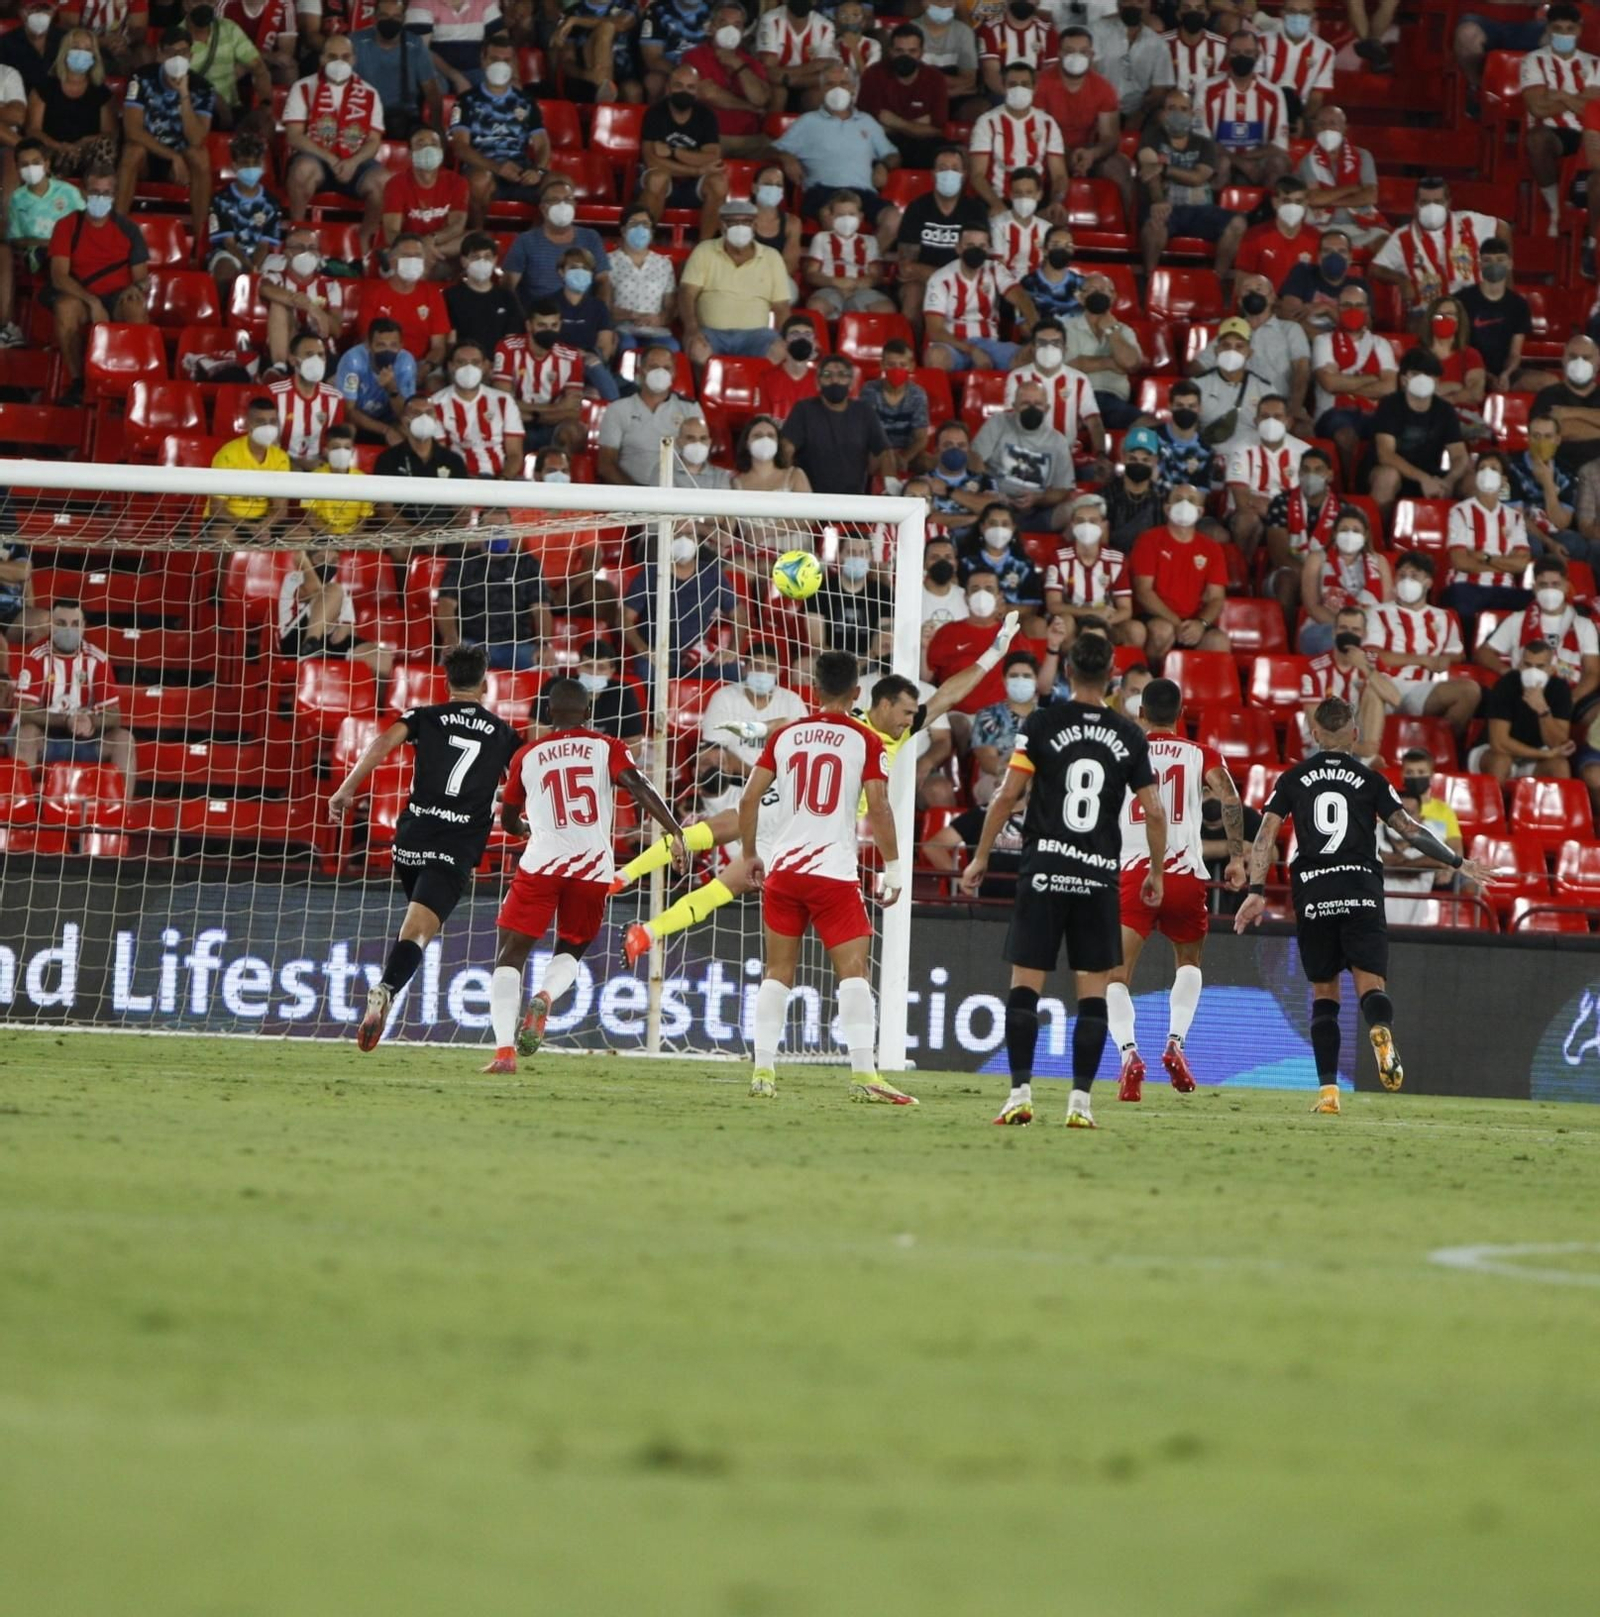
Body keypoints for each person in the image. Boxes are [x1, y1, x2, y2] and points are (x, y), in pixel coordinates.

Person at [1236, 696, 1493, 1110]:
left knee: (1324, 993)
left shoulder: (1293, 778)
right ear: (1355, 734)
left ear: (1315, 734)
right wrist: (1458, 861)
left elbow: (1265, 837)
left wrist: (1256, 891)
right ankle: (1380, 1027)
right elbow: (1408, 830)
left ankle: (1328, 1093)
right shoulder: (1371, 779)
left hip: (1314, 890)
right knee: (1370, 984)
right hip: (1360, 889)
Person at [959, 632, 1165, 1130]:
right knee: (1093, 994)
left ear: (1068, 671)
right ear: (1112, 674)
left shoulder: (1042, 722)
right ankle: (1080, 1104)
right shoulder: (1131, 735)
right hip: (1097, 876)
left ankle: (1020, 1094)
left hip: (1045, 868)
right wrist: (1156, 871)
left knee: (1025, 986)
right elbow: (1154, 811)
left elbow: (1008, 795)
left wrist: (981, 856)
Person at [482, 677, 689, 1073]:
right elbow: (637, 784)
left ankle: (504, 1052)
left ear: (547, 713)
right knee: (571, 948)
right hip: (593, 868)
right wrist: (674, 831)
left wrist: (520, 828)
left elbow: (507, 817)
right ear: (590, 713)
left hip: (542, 865)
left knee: (510, 953)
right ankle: (546, 993)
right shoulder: (607, 747)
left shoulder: (527, 754)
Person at [736, 650, 914, 1103]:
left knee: (777, 971)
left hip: (785, 871)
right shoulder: (865, 740)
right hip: (833, 874)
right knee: (853, 972)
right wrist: (893, 868)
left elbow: (748, 800)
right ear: (857, 693)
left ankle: (763, 1072)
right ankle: (864, 1075)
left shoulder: (786, 735)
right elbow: (878, 807)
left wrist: (751, 854)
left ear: (814, 691)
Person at [333, 651, 519, 1052]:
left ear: (447, 683)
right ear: (485, 686)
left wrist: (347, 788)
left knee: (414, 922)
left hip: (412, 838)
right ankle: (386, 988)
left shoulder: (424, 715)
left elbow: (382, 742)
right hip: (456, 843)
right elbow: (520, 783)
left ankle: (388, 987)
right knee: (418, 933)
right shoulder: (503, 733)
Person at [1106, 676, 1246, 1100]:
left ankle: (1130, 1055)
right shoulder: (1200, 753)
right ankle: (1175, 1042)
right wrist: (1237, 857)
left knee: (1115, 976)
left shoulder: (1120, 752)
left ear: (1141, 713)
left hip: (1134, 872)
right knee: (1189, 963)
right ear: (1181, 715)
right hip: (1185, 874)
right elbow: (1231, 798)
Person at [11, 598, 136, 804]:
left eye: (75, 624)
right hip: (47, 739)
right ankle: (21, 817)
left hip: (87, 740)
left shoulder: (97, 659)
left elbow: (115, 716)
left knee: (124, 740)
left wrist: (90, 722)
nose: (68, 630)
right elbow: (24, 711)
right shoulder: (35, 657)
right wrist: (66, 720)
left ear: (84, 627)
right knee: (24, 734)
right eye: (61, 623)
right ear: (50, 624)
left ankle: (119, 820)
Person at [46, 164, 150, 407]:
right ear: (83, 193)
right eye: (95, 192)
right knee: (65, 308)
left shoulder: (128, 229)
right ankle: (78, 382)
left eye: (105, 193)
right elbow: (59, 276)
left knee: (135, 307)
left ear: (113, 196)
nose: (100, 198)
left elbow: (141, 278)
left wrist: (135, 289)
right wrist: (91, 302)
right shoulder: (67, 225)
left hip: (118, 295)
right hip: (81, 294)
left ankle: (128, 385)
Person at [283, 35, 390, 255]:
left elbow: (373, 141)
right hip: (316, 160)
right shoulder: (303, 87)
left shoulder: (369, 93)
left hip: (356, 162)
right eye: (332, 56)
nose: (339, 62)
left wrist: (352, 161)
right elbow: (294, 136)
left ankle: (364, 242)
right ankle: (299, 234)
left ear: (354, 60)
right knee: (302, 170)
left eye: (345, 56)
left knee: (383, 181)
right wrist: (331, 159)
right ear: (322, 59)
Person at [772, 59, 901, 239]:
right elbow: (773, 149)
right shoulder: (808, 121)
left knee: (893, 219)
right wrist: (786, 157)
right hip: (823, 192)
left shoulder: (867, 122)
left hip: (863, 193)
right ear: (823, 89)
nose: (837, 89)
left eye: (844, 83)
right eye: (831, 84)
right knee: (835, 215)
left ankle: (866, 262)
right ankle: (836, 262)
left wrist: (884, 166)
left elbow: (893, 154)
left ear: (853, 88)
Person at [1363, 550, 1481, 739]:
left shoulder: (1445, 617)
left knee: (1470, 691)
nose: (1406, 581)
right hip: (1383, 684)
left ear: (1428, 583)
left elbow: (1457, 654)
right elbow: (1373, 655)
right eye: (1402, 575)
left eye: (1414, 576)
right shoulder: (1377, 612)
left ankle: (1440, 745)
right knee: (1369, 692)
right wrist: (1424, 660)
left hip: (1421, 689)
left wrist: (1445, 660)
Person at [1136, 86, 1247, 281]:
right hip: (1168, 207)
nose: (1177, 114)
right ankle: (1149, 281)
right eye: (1171, 108)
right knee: (1154, 224)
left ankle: (1215, 281)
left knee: (1237, 223)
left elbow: (1198, 177)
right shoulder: (1152, 136)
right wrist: (1159, 201)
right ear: (1163, 112)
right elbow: (1148, 172)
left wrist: (1164, 169)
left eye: (1183, 109)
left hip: (1201, 211)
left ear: (1191, 113)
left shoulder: (1204, 143)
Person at [117, 28, 214, 248]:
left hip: (180, 166)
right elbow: (132, 129)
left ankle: (200, 242)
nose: (177, 58)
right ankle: (116, 230)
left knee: (200, 155)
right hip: (147, 158)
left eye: (183, 53)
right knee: (132, 150)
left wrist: (184, 95)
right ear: (160, 54)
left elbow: (197, 138)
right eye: (171, 53)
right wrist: (172, 156)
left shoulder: (203, 88)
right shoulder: (141, 78)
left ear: (191, 56)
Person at [1369, 177, 1507, 319]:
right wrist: (1401, 279)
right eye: (1425, 202)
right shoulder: (1403, 236)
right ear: (1415, 204)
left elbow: (1502, 228)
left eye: (1438, 202)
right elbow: (1375, 269)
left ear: (1448, 203)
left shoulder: (1468, 221)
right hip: (1429, 312)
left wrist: (1506, 281)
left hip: (1471, 308)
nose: (1432, 208)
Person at [1032, 29, 1133, 220]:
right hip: (1047, 151)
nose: (1077, 56)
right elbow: (1037, 133)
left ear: (1092, 55)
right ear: (1059, 53)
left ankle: (1129, 230)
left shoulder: (1103, 88)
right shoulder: (1042, 84)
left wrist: (1091, 155)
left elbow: (1110, 137)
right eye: (1070, 50)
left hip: (1088, 152)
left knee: (1120, 166)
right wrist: (1067, 155)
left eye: (1083, 51)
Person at [679, 197, 789, 364]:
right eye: (733, 222)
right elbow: (687, 294)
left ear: (754, 225)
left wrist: (786, 337)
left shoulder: (771, 257)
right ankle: (705, 390)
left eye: (746, 222)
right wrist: (692, 329)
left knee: (780, 350)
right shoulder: (704, 251)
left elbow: (781, 307)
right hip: (712, 333)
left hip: (756, 335)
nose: (740, 227)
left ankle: (758, 390)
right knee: (697, 349)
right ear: (722, 225)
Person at [1477, 555, 1600, 702]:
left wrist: (1572, 699)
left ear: (1566, 586)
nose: (1550, 591)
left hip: (1570, 694)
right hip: (1525, 694)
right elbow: (1483, 653)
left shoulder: (1584, 625)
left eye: (1555, 584)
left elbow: (1593, 672)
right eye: (1543, 585)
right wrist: (1508, 672)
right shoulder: (1518, 619)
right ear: (1534, 587)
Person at [1366, 348, 1470, 520]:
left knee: (1470, 480)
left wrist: (1449, 480)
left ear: (1437, 382)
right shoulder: (1389, 405)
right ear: (1404, 379)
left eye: (1428, 375)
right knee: (1388, 477)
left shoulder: (1445, 410)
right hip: (1391, 472)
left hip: (1430, 473)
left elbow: (1459, 455)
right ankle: (1378, 536)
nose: (1422, 379)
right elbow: (1386, 454)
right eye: (1415, 374)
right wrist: (1423, 479)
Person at [622, 530, 744, 677]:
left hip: (697, 654)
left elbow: (739, 613)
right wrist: (643, 649)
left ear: (698, 541)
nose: (684, 541)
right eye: (677, 535)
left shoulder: (712, 574)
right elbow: (624, 618)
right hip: (657, 655)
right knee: (647, 671)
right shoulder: (650, 575)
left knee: (734, 671)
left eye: (689, 535)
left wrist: (732, 650)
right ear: (667, 541)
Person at [1131, 483, 1232, 660]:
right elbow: (1143, 592)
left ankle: (1200, 687)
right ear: (1167, 509)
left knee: (1219, 641)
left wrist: (1201, 623)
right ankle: (1153, 683)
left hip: (1194, 621)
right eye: (1178, 500)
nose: (1184, 505)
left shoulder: (1212, 548)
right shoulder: (1149, 540)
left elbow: (1216, 597)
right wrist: (1176, 622)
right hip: (1156, 617)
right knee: (1162, 631)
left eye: (1191, 501)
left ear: (1200, 512)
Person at [894, 143, 988, 331]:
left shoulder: (975, 210)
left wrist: (930, 272)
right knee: (912, 298)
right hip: (922, 284)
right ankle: (914, 355)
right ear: (933, 174)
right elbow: (907, 268)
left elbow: (977, 261)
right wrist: (947, 277)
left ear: (964, 175)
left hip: (965, 283)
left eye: (955, 169)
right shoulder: (917, 208)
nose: (948, 173)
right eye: (942, 168)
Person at [1441, 452, 1533, 641]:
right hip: (1467, 586)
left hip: (1504, 590)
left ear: (1503, 479)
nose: (1487, 472)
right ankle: (1467, 655)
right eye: (1482, 468)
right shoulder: (1460, 511)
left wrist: (1486, 557)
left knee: (1535, 605)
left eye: (1493, 469)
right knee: (1460, 598)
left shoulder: (1514, 517)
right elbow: (1460, 561)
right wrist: (1505, 563)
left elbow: (1521, 564)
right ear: (1475, 477)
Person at [923, 221, 1038, 372]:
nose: (976, 250)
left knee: (1032, 356)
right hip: (953, 344)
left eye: (982, 246)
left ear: (988, 249)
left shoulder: (995, 269)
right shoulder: (940, 279)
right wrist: (972, 350)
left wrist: (1037, 331)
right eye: (970, 245)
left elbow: (1020, 297)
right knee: (935, 357)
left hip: (989, 343)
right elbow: (935, 330)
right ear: (958, 248)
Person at [1518, 4, 1594, 232]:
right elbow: (1538, 108)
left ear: (1579, 30)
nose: (1564, 34)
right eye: (1558, 29)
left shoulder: (1596, 64)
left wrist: (1559, 95)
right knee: (1537, 139)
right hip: (1554, 133)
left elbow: (1594, 111)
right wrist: (1577, 99)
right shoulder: (1533, 61)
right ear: (1549, 29)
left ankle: (1590, 230)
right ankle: (1555, 207)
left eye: (1569, 29)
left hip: (1590, 133)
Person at [1, 139, 83, 348]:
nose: (31, 169)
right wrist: (45, 243)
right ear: (18, 169)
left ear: (47, 164)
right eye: (25, 164)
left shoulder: (69, 193)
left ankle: (61, 337)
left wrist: (60, 245)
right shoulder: (17, 199)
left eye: (36, 162)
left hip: (71, 253)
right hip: (36, 256)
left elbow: (85, 228)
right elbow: (16, 239)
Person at [436, 528, 551, 670]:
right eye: (491, 527)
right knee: (452, 662)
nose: (497, 533)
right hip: (472, 645)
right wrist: (451, 639)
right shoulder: (462, 561)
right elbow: (446, 604)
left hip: (517, 647)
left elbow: (541, 609)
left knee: (546, 665)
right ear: (480, 533)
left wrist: (544, 645)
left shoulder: (527, 563)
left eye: (502, 527)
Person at [967, 59, 1069, 220]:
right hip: (997, 198)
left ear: (1035, 88)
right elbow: (977, 175)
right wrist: (996, 204)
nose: (1019, 89)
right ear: (1004, 87)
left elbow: (1059, 175)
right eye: (1013, 84)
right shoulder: (987, 122)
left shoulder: (1048, 123)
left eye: (1025, 84)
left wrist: (1056, 202)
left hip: (1035, 201)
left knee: (1058, 224)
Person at [971, 376, 1075, 530]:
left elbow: (1063, 489)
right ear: (1015, 406)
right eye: (1026, 403)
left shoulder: (1058, 441)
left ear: (1046, 408)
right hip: (995, 506)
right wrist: (992, 490)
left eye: (1038, 404)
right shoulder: (998, 423)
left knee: (1074, 511)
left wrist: (1039, 499)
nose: (1032, 408)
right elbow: (974, 458)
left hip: (1035, 511)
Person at [639, 62, 728, 241]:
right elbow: (652, 160)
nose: (684, 91)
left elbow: (712, 157)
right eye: (678, 85)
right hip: (664, 182)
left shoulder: (706, 116)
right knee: (658, 178)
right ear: (668, 88)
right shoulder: (655, 113)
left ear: (697, 90)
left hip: (694, 186)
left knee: (719, 183)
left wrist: (674, 152)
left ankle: (705, 248)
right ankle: (644, 242)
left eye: (690, 87)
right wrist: (696, 169)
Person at [783, 353, 893, 496]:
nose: (835, 380)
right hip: (809, 501)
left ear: (851, 382)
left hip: (852, 502)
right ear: (817, 382)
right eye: (827, 375)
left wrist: (891, 488)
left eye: (842, 375)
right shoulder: (804, 409)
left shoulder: (864, 411)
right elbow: (786, 449)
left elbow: (884, 452)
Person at [1042, 493, 1141, 648]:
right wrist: (1092, 614)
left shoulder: (1117, 559)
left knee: (1136, 630)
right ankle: (1068, 668)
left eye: (1093, 521)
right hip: (1073, 618)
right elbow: (1053, 605)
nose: (1086, 526)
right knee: (1064, 623)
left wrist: (1102, 621)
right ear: (1072, 525)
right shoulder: (1058, 557)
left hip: (1105, 619)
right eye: (1080, 521)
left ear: (1103, 525)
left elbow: (1126, 609)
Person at [1300, 603, 1396, 761]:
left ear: (1364, 635)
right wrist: (1357, 748)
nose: (1349, 634)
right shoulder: (1315, 669)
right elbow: (1315, 727)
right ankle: (1367, 761)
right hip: (1324, 748)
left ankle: (1368, 760)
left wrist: (1365, 668)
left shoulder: (1373, 663)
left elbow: (1396, 700)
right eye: (1343, 628)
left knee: (1375, 691)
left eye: (1355, 630)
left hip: (1362, 741)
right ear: (1334, 632)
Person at [1195, 28, 1290, 187]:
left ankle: (1266, 209)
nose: (1242, 57)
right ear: (1226, 54)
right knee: (1222, 163)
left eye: (1248, 52)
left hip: (1256, 160)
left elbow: (1279, 145)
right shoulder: (1207, 89)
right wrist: (1239, 162)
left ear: (1257, 55)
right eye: (1235, 52)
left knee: (1279, 164)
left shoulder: (1273, 93)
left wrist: (1246, 159)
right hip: (1219, 158)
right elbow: (1202, 140)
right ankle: (1215, 210)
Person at [492, 295, 586, 453]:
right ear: (529, 325)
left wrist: (534, 415)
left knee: (574, 430)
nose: (549, 331)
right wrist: (556, 407)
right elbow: (503, 402)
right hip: (515, 421)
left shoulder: (571, 356)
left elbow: (573, 410)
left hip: (550, 423)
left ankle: (561, 472)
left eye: (554, 325)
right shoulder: (508, 347)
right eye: (542, 325)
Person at [1225, 393, 1312, 561]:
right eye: (1265, 417)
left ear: (1289, 421)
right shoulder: (1240, 448)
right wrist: (1281, 510)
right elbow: (1242, 501)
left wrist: (1272, 510)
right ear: (1256, 422)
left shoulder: (1305, 452)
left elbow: (1309, 500)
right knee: (1248, 520)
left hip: (1289, 520)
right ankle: (1242, 574)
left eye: (1278, 417)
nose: (1271, 422)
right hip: (1247, 516)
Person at [680, 4, 773, 159]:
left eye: (737, 25)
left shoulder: (751, 63)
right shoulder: (693, 57)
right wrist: (749, 107)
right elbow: (708, 93)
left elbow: (760, 99)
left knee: (784, 154)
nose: (730, 30)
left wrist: (738, 65)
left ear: (743, 31)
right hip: (708, 138)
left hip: (747, 140)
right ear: (712, 27)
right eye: (723, 24)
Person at [1475, 640, 1575, 782]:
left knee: (1560, 766)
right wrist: (1542, 754)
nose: (1533, 671)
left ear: (1551, 669)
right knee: (1501, 762)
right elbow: (1499, 743)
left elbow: (1558, 744)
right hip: (1493, 753)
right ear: (1520, 666)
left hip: (1535, 757)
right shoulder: (1506, 684)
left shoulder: (1560, 689)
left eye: (1540, 667)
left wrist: (1543, 711)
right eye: (1528, 665)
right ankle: (1493, 804)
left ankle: (1556, 804)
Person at [502, 176, 611, 307]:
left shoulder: (591, 237)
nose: (562, 205)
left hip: (582, 317)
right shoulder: (525, 241)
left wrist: (600, 317)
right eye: (555, 200)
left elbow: (603, 282)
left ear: (575, 205)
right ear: (543, 208)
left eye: (568, 200)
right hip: (541, 320)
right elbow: (508, 286)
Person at [1300, 504, 1392, 655]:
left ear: (1365, 535)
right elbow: (1312, 606)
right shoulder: (1317, 558)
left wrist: (1362, 629)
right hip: (1324, 627)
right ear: (1335, 533)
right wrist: (1345, 628)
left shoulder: (1379, 562)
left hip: (1368, 628)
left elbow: (1387, 606)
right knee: (1340, 641)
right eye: (1344, 530)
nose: (1350, 535)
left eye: (1356, 531)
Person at [26, 29, 116, 183]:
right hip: (52, 152)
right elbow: (33, 130)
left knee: (105, 145)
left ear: (94, 56)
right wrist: (59, 146)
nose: (82, 53)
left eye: (88, 49)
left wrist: (84, 142)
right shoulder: (45, 87)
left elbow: (110, 133)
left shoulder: (101, 93)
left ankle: (98, 191)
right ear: (65, 52)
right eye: (76, 47)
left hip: (86, 156)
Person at [597, 344, 697, 485]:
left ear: (674, 373)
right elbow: (606, 465)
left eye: (667, 368)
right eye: (654, 367)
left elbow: (699, 459)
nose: (660, 372)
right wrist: (639, 496)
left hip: (676, 495)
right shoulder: (618, 409)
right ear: (641, 371)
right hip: (631, 497)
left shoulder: (690, 409)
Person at [358, 232, 451, 378]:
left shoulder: (432, 294)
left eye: (418, 256)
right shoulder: (374, 294)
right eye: (407, 256)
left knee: (435, 383)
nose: (413, 260)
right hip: (382, 362)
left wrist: (425, 368)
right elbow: (367, 341)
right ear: (393, 260)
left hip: (422, 363)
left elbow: (438, 347)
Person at [858, 21, 948, 171]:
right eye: (899, 51)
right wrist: (917, 125)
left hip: (922, 145)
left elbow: (937, 130)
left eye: (912, 51)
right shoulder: (873, 75)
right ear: (890, 51)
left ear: (921, 53)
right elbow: (869, 126)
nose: (905, 56)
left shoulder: (935, 78)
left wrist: (895, 122)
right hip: (883, 144)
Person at [430, 338, 524, 476]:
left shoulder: (504, 401)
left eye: (475, 362)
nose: (468, 368)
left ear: (485, 366)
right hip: (458, 480)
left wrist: (503, 481)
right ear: (450, 366)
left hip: (498, 479)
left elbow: (515, 454)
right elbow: (440, 455)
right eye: (461, 362)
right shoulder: (435, 403)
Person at [205, 131, 284, 294]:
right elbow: (229, 243)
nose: (250, 168)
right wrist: (247, 266)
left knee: (282, 273)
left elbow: (264, 244)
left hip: (260, 257)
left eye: (255, 163)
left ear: (262, 165)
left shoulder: (271, 202)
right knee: (224, 270)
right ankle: (223, 316)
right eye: (245, 163)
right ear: (234, 166)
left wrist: (254, 266)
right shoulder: (221, 199)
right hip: (229, 254)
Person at [352, 0, 441, 140]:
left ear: (404, 19)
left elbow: (431, 89)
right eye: (384, 16)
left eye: (396, 17)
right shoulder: (355, 42)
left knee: (426, 141)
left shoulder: (414, 43)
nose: (390, 21)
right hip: (362, 115)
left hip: (405, 117)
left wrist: (437, 127)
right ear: (374, 18)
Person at [373, 395, 470, 523]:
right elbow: (384, 509)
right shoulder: (388, 459)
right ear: (404, 420)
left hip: (444, 537)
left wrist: (442, 538)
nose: (424, 418)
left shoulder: (453, 460)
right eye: (416, 413)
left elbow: (463, 510)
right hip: (402, 538)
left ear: (436, 419)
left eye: (429, 413)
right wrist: (414, 535)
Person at [1063, 271, 1142, 428]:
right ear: (1080, 297)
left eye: (1103, 289)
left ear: (1113, 297)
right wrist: (1111, 363)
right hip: (1075, 398)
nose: (1097, 294)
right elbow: (1069, 366)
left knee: (1149, 425)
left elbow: (1131, 364)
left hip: (1114, 401)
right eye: (1091, 289)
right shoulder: (1066, 328)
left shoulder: (1124, 331)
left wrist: (1112, 331)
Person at [383, 125, 469, 271]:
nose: (428, 149)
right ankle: (422, 258)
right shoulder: (396, 184)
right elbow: (391, 232)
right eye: (421, 144)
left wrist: (430, 240)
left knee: (475, 239)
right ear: (410, 154)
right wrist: (417, 246)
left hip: (439, 244)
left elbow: (457, 226)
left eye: (434, 144)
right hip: (408, 248)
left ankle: (425, 256)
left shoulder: (458, 182)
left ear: (442, 151)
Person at [207, 395, 290, 541]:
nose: (267, 427)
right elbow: (217, 509)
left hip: (262, 520)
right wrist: (247, 526)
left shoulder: (280, 457)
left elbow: (281, 509)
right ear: (248, 423)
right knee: (224, 536)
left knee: (300, 534)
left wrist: (264, 526)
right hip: (229, 520)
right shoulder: (228, 455)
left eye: (272, 422)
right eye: (260, 422)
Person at [802, 186, 893, 318]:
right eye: (840, 215)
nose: (846, 219)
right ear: (831, 217)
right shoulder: (821, 238)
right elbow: (811, 274)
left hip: (861, 289)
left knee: (886, 309)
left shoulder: (870, 241)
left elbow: (876, 275)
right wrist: (834, 282)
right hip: (830, 288)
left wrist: (859, 283)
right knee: (816, 307)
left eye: (851, 214)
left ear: (860, 217)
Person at [1455, 238, 1530, 394]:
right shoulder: (1462, 300)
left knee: (1549, 382)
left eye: (1500, 260)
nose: (1494, 264)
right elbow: (1459, 347)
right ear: (1480, 264)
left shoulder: (1519, 305)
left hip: (1505, 374)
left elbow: (1515, 353)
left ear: (1510, 263)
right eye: (1487, 260)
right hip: (1469, 371)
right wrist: (1486, 376)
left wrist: (1506, 374)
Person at [969, 648, 1042, 804]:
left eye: (1027, 676)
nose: (1020, 680)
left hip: (1039, 780)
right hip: (996, 777)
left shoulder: (1047, 719)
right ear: (1004, 680)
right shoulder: (988, 716)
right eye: (1014, 676)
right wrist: (1020, 778)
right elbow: (987, 760)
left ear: (1036, 680)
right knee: (1003, 789)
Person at [807, 534, 891, 661]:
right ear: (839, 556)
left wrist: (862, 663)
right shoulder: (820, 590)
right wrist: (844, 667)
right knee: (801, 666)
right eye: (851, 552)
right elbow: (817, 643)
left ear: (870, 558)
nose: (857, 558)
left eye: (863, 553)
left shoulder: (883, 593)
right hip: (829, 662)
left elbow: (883, 642)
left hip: (870, 662)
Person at [270, 329, 345, 467]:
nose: (316, 360)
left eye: (321, 355)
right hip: (281, 469)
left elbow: (334, 444)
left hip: (319, 471)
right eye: (309, 355)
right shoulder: (274, 394)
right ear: (293, 360)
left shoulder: (335, 398)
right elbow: (269, 445)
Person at [1233, 176, 1321, 293]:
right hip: (1266, 307)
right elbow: (1241, 284)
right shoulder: (1254, 236)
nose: (1292, 207)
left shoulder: (1316, 238)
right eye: (1286, 201)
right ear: (1275, 202)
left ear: (1306, 203)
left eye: (1298, 202)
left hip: (1301, 308)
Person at [609, 205, 677, 352]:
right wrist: (631, 315)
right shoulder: (609, 261)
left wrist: (660, 319)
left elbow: (670, 306)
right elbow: (604, 304)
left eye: (645, 225)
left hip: (654, 329)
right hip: (621, 328)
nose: (640, 229)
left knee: (672, 347)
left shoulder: (663, 264)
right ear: (623, 230)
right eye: (633, 224)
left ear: (652, 232)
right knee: (627, 347)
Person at [1278, 227, 1369, 335]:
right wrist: (1322, 340)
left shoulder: (1359, 286)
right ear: (1319, 257)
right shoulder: (1303, 272)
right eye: (1327, 251)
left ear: (1350, 258)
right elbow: (1289, 315)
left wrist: (1328, 309)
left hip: (1343, 346)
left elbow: (1363, 329)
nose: (1335, 257)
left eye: (1341, 251)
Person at [860, 338, 929, 478]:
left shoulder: (917, 394)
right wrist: (888, 455)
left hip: (906, 451)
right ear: (882, 365)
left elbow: (921, 438)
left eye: (902, 365)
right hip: (876, 451)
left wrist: (904, 457)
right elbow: (867, 433)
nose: (897, 370)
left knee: (930, 462)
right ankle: (889, 495)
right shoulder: (870, 390)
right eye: (891, 365)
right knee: (882, 460)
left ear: (911, 366)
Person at [446, 232, 524, 356]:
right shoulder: (450, 296)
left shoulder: (507, 297)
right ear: (464, 261)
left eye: (487, 257)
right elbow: (451, 342)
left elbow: (511, 340)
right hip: (464, 363)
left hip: (499, 364)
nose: (482, 262)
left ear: (495, 260)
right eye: (475, 257)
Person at [1260, 0, 1334, 130]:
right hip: (1261, 110)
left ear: (1313, 17)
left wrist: (1302, 120)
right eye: (1292, 11)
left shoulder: (1325, 51)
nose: (1298, 17)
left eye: (1305, 12)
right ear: (1282, 14)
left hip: (1300, 113)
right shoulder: (1261, 42)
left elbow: (1316, 97)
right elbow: (1253, 84)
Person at [756, 0, 838, 115]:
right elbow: (769, 70)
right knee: (779, 93)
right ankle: (772, 131)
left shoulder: (825, 26)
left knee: (818, 95)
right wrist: (812, 66)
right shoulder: (771, 19)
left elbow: (824, 73)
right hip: (776, 84)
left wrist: (788, 79)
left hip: (801, 83)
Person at [959, 502, 1042, 609]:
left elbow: (1031, 606)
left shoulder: (1024, 565)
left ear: (1013, 528)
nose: (999, 529)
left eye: (1005, 524)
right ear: (982, 527)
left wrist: (1004, 610)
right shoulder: (965, 562)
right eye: (993, 523)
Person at [1104, 425, 1166, 552]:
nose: (1139, 463)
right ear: (1123, 457)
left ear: (1155, 461)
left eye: (1145, 460)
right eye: (1133, 458)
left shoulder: (1163, 499)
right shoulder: (1106, 496)